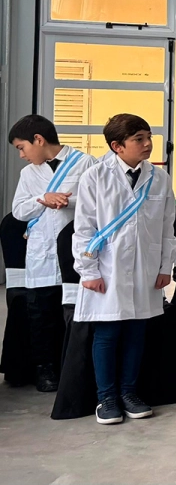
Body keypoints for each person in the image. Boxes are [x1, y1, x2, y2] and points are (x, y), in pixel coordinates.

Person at [72, 114, 176, 424]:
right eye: (139, 140)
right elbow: (84, 228)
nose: (147, 145)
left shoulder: (159, 178)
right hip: (107, 269)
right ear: (117, 146)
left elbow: (167, 227)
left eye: (148, 138)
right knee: (107, 333)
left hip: (145, 267)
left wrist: (164, 266)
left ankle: (129, 392)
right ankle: (106, 398)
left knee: (136, 331)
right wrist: (88, 271)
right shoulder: (95, 177)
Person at [8, 115, 96, 392]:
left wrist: (70, 201)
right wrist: (42, 199)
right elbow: (19, 211)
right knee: (41, 314)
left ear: (39, 140)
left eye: (22, 147)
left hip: (76, 250)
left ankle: (77, 366)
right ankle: (45, 368)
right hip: (42, 250)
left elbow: (101, 202)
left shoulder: (87, 164)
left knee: (74, 312)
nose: (22, 155)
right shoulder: (28, 174)